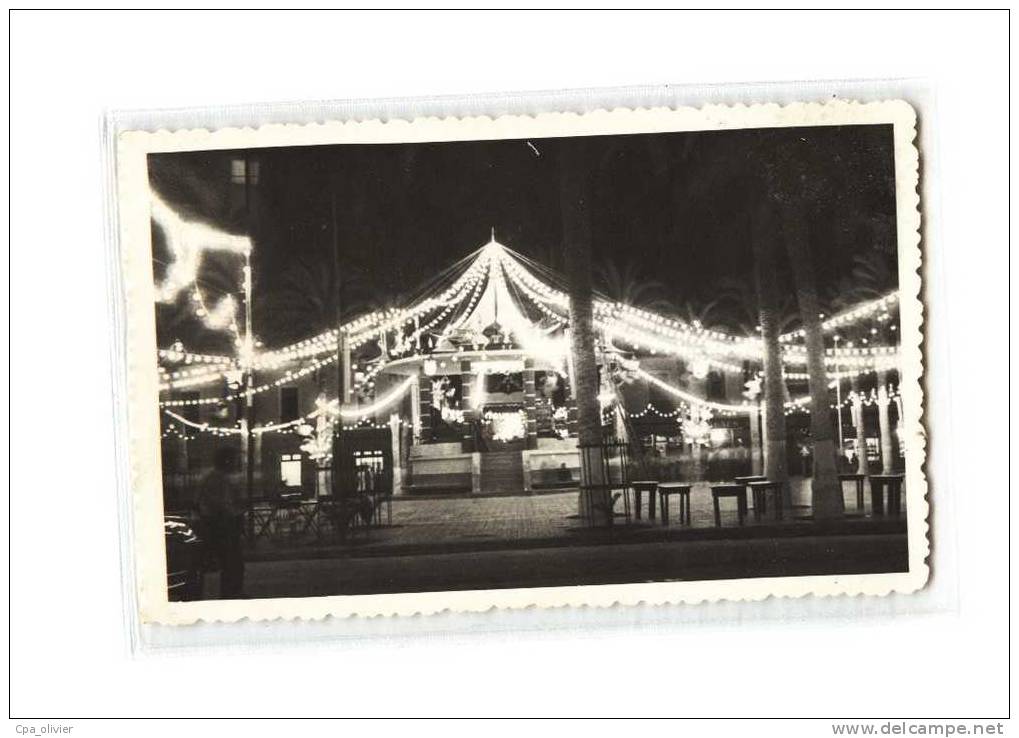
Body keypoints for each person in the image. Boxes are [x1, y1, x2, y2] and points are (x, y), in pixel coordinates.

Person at [196, 446, 245, 599]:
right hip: (222, 525)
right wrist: (239, 511)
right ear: (227, 461)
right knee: (232, 563)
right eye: (235, 460)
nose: (237, 463)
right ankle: (231, 594)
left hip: (214, 523)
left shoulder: (211, 477)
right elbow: (224, 505)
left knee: (229, 563)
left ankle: (229, 593)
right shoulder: (219, 480)